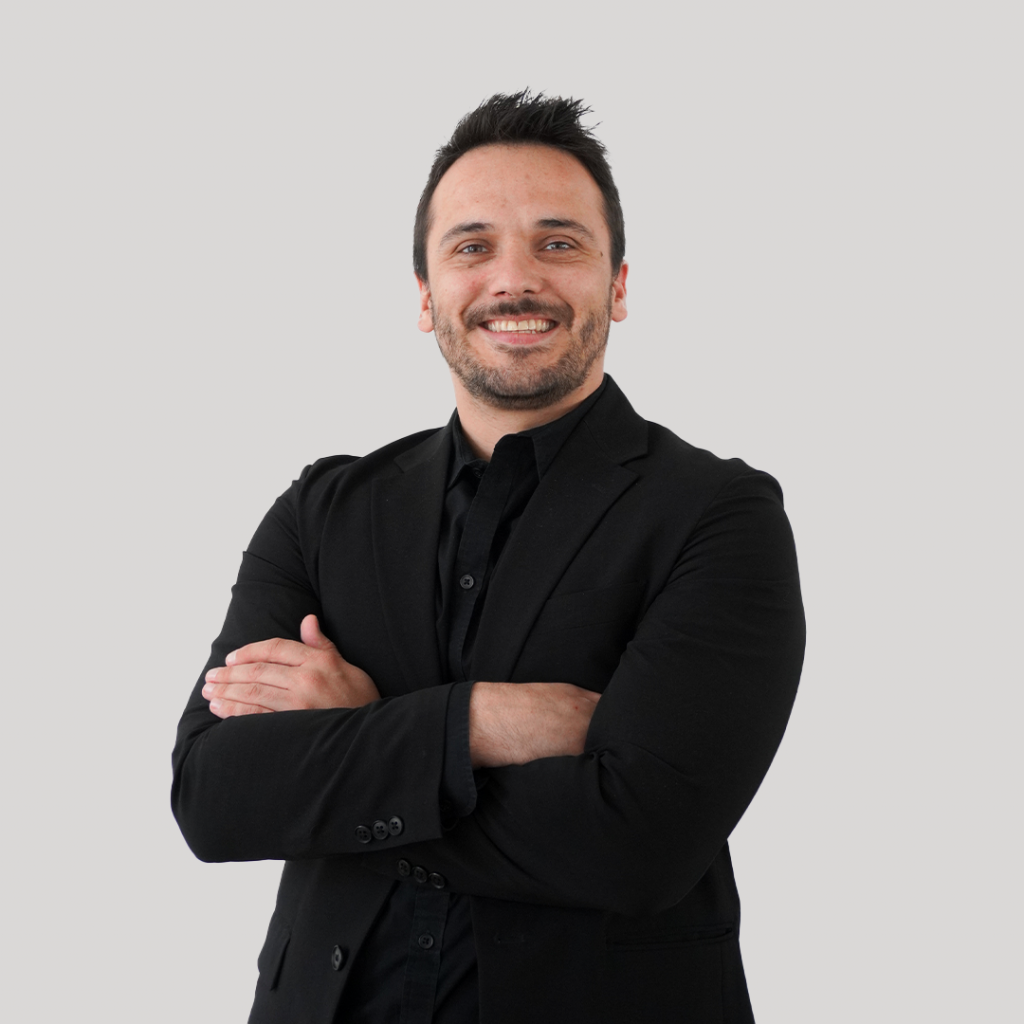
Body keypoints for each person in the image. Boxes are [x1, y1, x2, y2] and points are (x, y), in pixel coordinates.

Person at [172, 90, 805, 1024]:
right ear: (426, 297)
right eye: (472, 247)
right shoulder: (322, 509)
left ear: (618, 285)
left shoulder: (719, 516)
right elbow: (216, 795)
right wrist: (478, 724)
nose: (515, 280)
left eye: (559, 243)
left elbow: (640, 844)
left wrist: (354, 745)